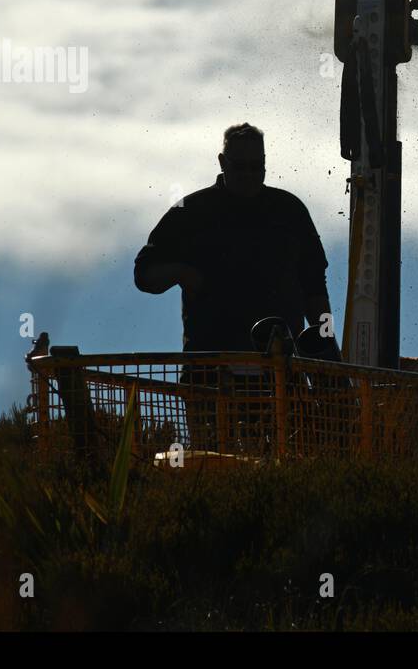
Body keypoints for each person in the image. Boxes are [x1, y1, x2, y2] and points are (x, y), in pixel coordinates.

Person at [134, 122, 336, 447]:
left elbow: (314, 287)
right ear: (222, 162)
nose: (249, 174)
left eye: (257, 167)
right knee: (215, 465)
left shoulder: (288, 211)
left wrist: (328, 357)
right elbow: (145, 274)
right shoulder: (193, 211)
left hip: (281, 371)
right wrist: (185, 273)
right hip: (211, 373)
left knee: (288, 463)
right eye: (240, 166)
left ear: (266, 164)